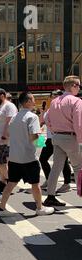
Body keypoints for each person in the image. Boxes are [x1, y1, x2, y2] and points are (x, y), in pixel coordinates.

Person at [0, 92, 55, 217]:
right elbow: (34, 138)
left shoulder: (14, 117)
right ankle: (39, 207)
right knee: (35, 184)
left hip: (14, 157)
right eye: (33, 99)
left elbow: (10, 135)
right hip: (28, 157)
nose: (35, 102)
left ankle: (1, 208)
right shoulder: (32, 117)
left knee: (11, 183)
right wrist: (41, 140)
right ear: (27, 101)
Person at [44, 76, 82, 207]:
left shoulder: (54, 101)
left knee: (56, 168)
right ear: (73, 86)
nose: (79, 88)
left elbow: (47, 118)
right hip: (71, 137)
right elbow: (79, 123)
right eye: (78, 86)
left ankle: (50, 196)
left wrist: (54, 131)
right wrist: (81, 141)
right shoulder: (76, 101)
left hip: (57, 137)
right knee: (78, 167)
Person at [39, 90, 72, 192]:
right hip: (50, 138)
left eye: (56, 96)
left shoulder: (63, 108)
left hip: (60, 137)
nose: (53, 98)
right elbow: (41, 122)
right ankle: (50, 180)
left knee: (63, 161)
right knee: (43, 159)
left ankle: (66, 183)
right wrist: (43, 112)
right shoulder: (50, 109)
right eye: (52, 96)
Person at [0, 88, 18, 194]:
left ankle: (10, 181)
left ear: (2, 95)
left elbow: (10, 121)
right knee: (0, 162)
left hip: (4, 140)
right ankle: (3, 183)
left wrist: (4, 136)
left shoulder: (9, 106)